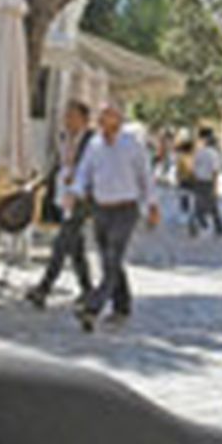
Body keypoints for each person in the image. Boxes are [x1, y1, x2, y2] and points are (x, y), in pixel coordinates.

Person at [68, 101, 159, 331]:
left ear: (118, 119)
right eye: (100, 115)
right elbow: (84, 172)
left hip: (126, 209)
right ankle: (122, 305)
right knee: (110, 261)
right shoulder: (95, 145)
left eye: (106, 115)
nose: (101, 119)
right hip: (101, 208)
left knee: (112, 257)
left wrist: (152, 206)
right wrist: (75, 192)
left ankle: (92, 308)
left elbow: (145, 176)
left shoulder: (133, 145)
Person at [26, 101, 94, 308]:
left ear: (83, 119)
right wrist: (38, 182)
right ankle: (88, 290)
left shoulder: (92, 141)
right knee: (75, 247)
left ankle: (43, 288)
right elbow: (58, 164)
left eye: (72, 116)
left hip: (81, 199)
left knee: (62, 243)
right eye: (66, 116)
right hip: (64, 197)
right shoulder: (64, 138)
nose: (67, 120)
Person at [188, 127, 222, 237]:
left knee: (198, 204)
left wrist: (194, 180)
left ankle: (207, 225)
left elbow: (193, 168)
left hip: (199, 181)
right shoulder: (214, 154)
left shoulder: (199, 153)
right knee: (213, 206)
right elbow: (215, 172)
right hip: (209, 182)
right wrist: (216, 187)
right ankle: (217, 227)